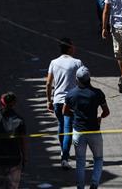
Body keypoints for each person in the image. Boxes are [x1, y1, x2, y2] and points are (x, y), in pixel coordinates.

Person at [64, 66, 109, 189]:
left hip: (78, 131)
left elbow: (65, 112)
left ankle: (80, 187)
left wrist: (75, 114)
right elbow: (106, 112)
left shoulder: (71, 94)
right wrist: (99, 116)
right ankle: (94, 184)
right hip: (94, 131)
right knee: (98, 158)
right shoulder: (98, 93)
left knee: (80, 161)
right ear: (89, 79)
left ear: (77, 80)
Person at [46, 38, 84, 168]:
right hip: (71, 102)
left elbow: (48, 83)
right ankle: (64, 158)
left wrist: (49, 100)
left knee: (61, 125)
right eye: (73, 46)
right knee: (68, 129)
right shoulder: (77, 62)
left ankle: (63, 150)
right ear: (69, 48)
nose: (75, 48)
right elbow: (83, 80)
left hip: (57, 100)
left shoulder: (53, 62)